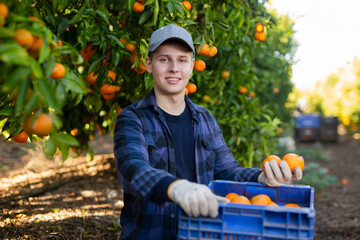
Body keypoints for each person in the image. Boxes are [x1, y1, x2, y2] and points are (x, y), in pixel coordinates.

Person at [113, 24, 303, 240]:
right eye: (164, 59)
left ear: (192, 66)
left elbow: (228, 171)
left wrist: (262, 176)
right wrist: (175, 188)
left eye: (182, 60)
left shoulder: (204, 120)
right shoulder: (132, 118)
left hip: (201, 233)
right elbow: (132, 170)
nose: (174, 68)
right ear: (149, 64)